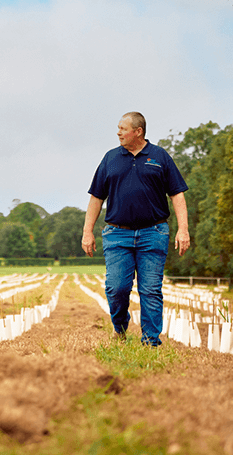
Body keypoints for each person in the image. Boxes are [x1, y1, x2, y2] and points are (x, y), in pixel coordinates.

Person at [81, 112, 189, 346]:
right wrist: (87, 231)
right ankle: (120, 327)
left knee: (151, 290)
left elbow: (177, 194)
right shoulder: (110, 158)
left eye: (123, 128)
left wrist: (183, 230)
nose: (118, 132)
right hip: (117, 234)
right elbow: (96, 198)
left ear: (138, 131)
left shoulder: (160, 157)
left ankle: (151, 341)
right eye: (118, 128)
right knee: (117, 288)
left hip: (154, 233)